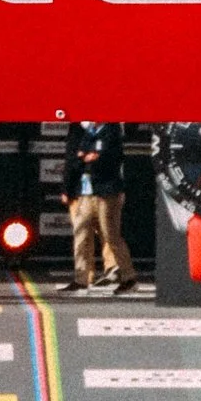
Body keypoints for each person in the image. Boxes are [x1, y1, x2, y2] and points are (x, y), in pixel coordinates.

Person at [63, 124, 140, 293]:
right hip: (86, 192)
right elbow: (77, 157)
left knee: (110, 234)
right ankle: (81, 278)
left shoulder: (111, 130)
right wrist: (87, 157)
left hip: (107, 192)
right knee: (80, 232)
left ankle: (129, 277)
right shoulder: (88, 132)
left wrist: (92, 157)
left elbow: (109, 157)